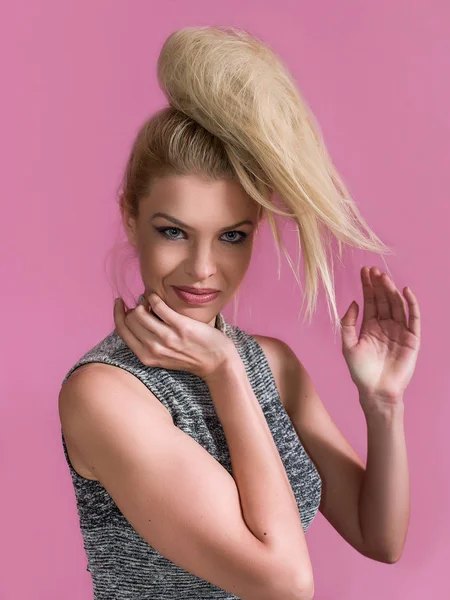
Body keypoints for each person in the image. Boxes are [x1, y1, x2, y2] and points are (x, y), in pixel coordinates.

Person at [58, 26, 421, 600]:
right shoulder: (107, 394)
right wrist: (226, 375)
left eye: (231, 235)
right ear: (131, 216)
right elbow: (285, 582)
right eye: (173, 231)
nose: (203, 268)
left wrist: (383, 402)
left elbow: (381, 539)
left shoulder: (270, 365)